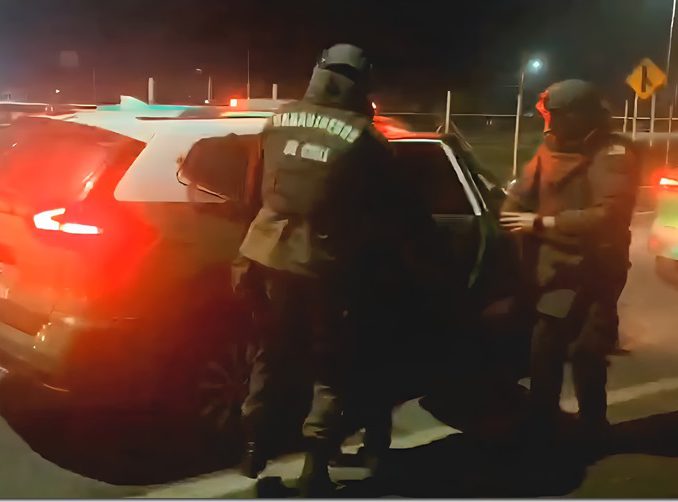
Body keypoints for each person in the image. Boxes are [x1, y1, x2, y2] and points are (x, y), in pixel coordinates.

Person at [234, 43, 436, 494]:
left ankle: (253, 447)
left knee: (269, 354)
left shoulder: (278, 120)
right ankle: (314, 469)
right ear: (362, 83)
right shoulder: (366, 139)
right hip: (325, 268)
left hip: (265, 259)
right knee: (331, 369)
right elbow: (395, 214)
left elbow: (252, 193)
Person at [500, 79, 641, 444]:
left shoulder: (614, 153)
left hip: (598, 269)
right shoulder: (551, 148)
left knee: (587, 352)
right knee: (544, 348)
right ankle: (540, 423)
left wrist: (542, 223)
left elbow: (608, 214)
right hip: (557, 270)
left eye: (556, 116)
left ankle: (594, 427)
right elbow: (521, 193)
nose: (549, 124)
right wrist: (509, 214)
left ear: (578, 117)